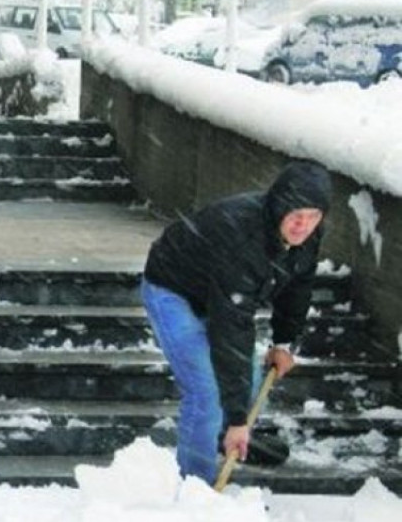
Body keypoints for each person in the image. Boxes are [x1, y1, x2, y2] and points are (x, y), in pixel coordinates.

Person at [140, 161, 332, 485]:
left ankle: (222, 437)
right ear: (280, 207)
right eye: (296, 214)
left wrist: (283, 343)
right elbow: (230, 331)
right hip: (172, 289)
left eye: (313, 216)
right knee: (207, 391)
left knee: (251, 377)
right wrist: (238, 418)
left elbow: (298, 285)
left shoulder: (305, 235)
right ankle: (196, 488)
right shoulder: (243, 240)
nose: (303, 225)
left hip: (215, 291)